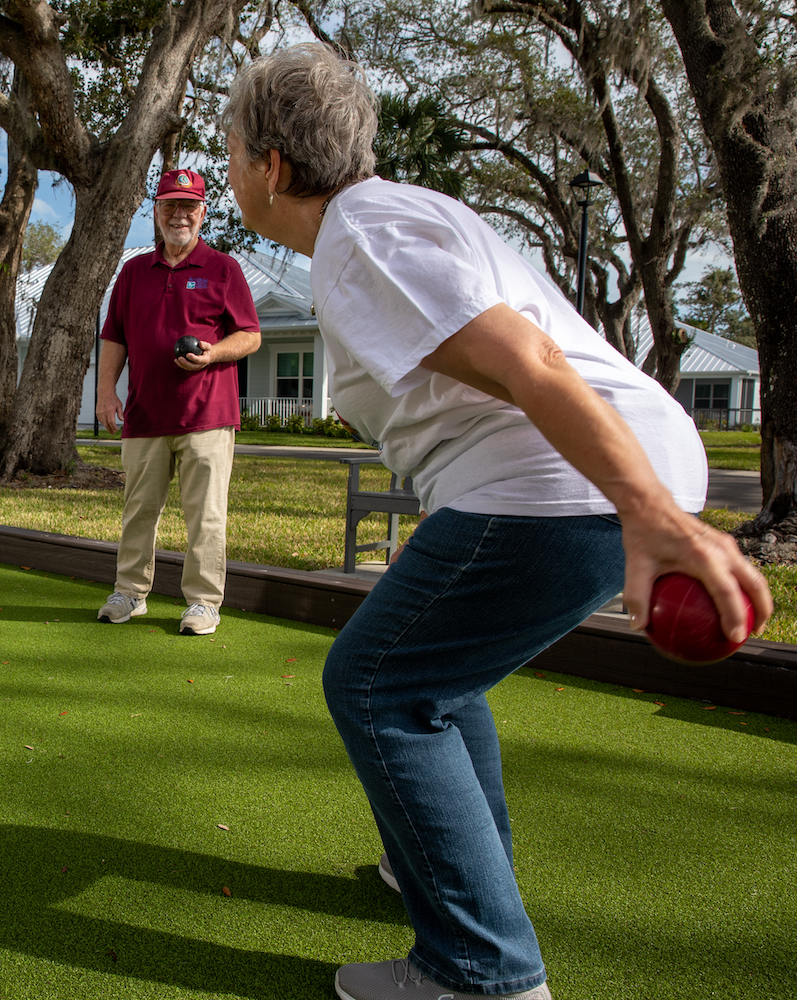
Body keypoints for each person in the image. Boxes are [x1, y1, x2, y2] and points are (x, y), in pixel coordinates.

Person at [220, 44, 771, 1000]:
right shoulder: (397, 217)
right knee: (440, 674)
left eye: (231, 154)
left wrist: (645, 511)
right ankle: (442, 871)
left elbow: (532, 365)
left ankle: (480, 973)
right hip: (594, 474)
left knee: (378, 683)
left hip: (567, 486)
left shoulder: (363, 234)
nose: (229, 173)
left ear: (272, 165)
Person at [95, 167, 262, 636]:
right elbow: (115, 337)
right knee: (137, 512)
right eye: (170, 205)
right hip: (145, 415)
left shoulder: (223, 269)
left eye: (188, 206)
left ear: (203, 212)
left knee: (205, 516)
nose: (179, 214)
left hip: (207, 416)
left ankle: (204, 603)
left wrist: (214, 354)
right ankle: (129, 593)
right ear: (156, 212)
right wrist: (107, 391)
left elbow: (249, 335)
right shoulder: (133, 272)